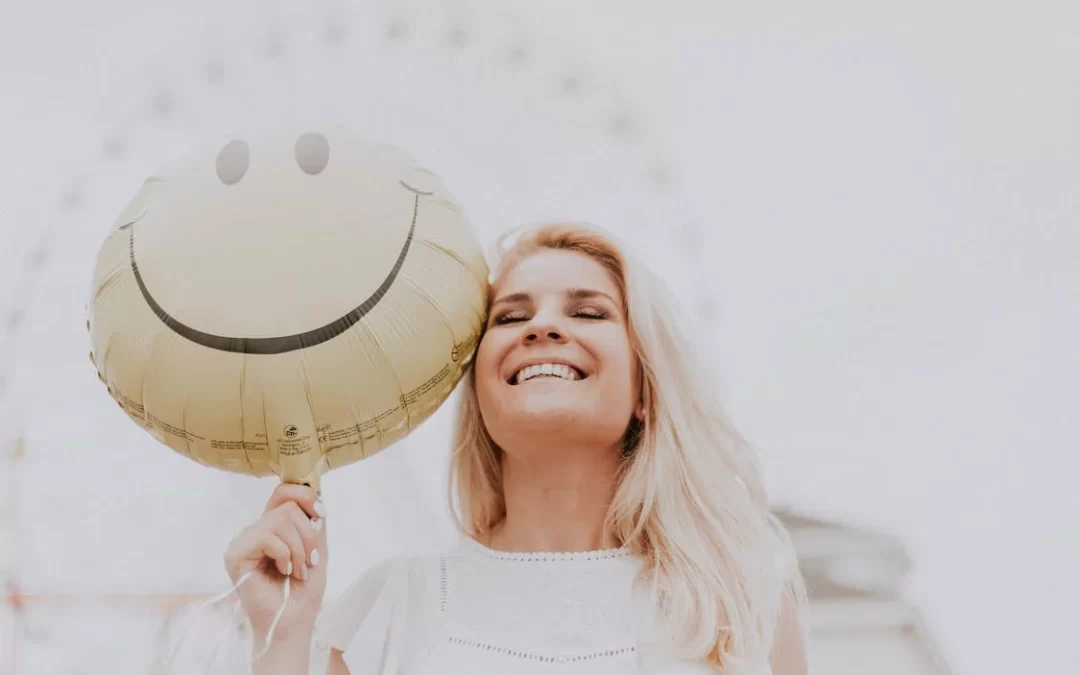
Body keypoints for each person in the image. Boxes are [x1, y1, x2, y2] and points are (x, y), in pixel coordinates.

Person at [224, 222, 809, 674]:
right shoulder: (392, 608)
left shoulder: (737, 604)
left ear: (646, 392)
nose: (543, 328)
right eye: (510, 317)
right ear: (478, 391)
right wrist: (280, 637)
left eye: (587, 311)